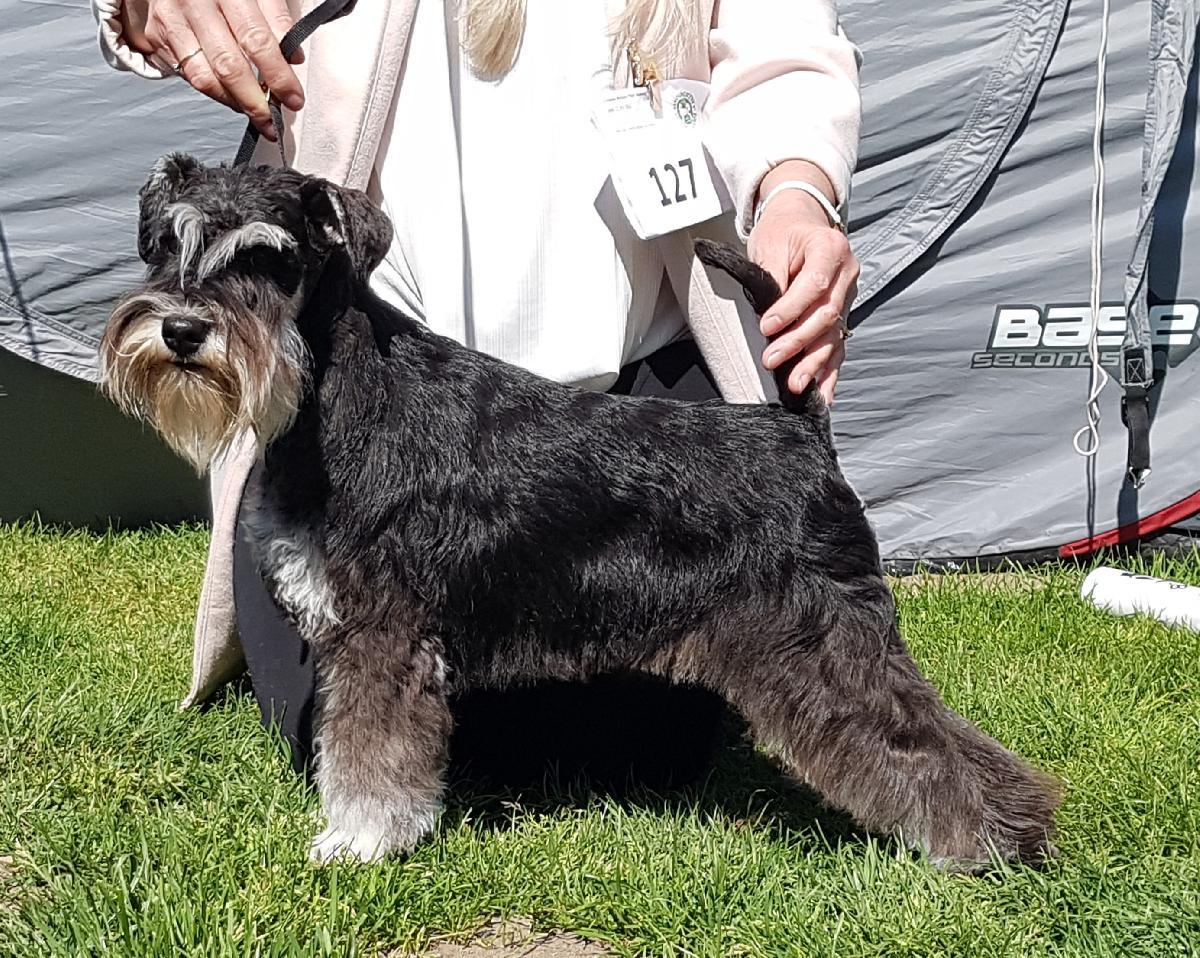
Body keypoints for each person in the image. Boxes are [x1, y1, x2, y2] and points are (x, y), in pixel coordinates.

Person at [90, 0, 863, 781]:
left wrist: (797, 193)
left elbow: (783, 43)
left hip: (635, 404)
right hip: (364, 384)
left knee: (616, 748)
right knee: (332, 694)